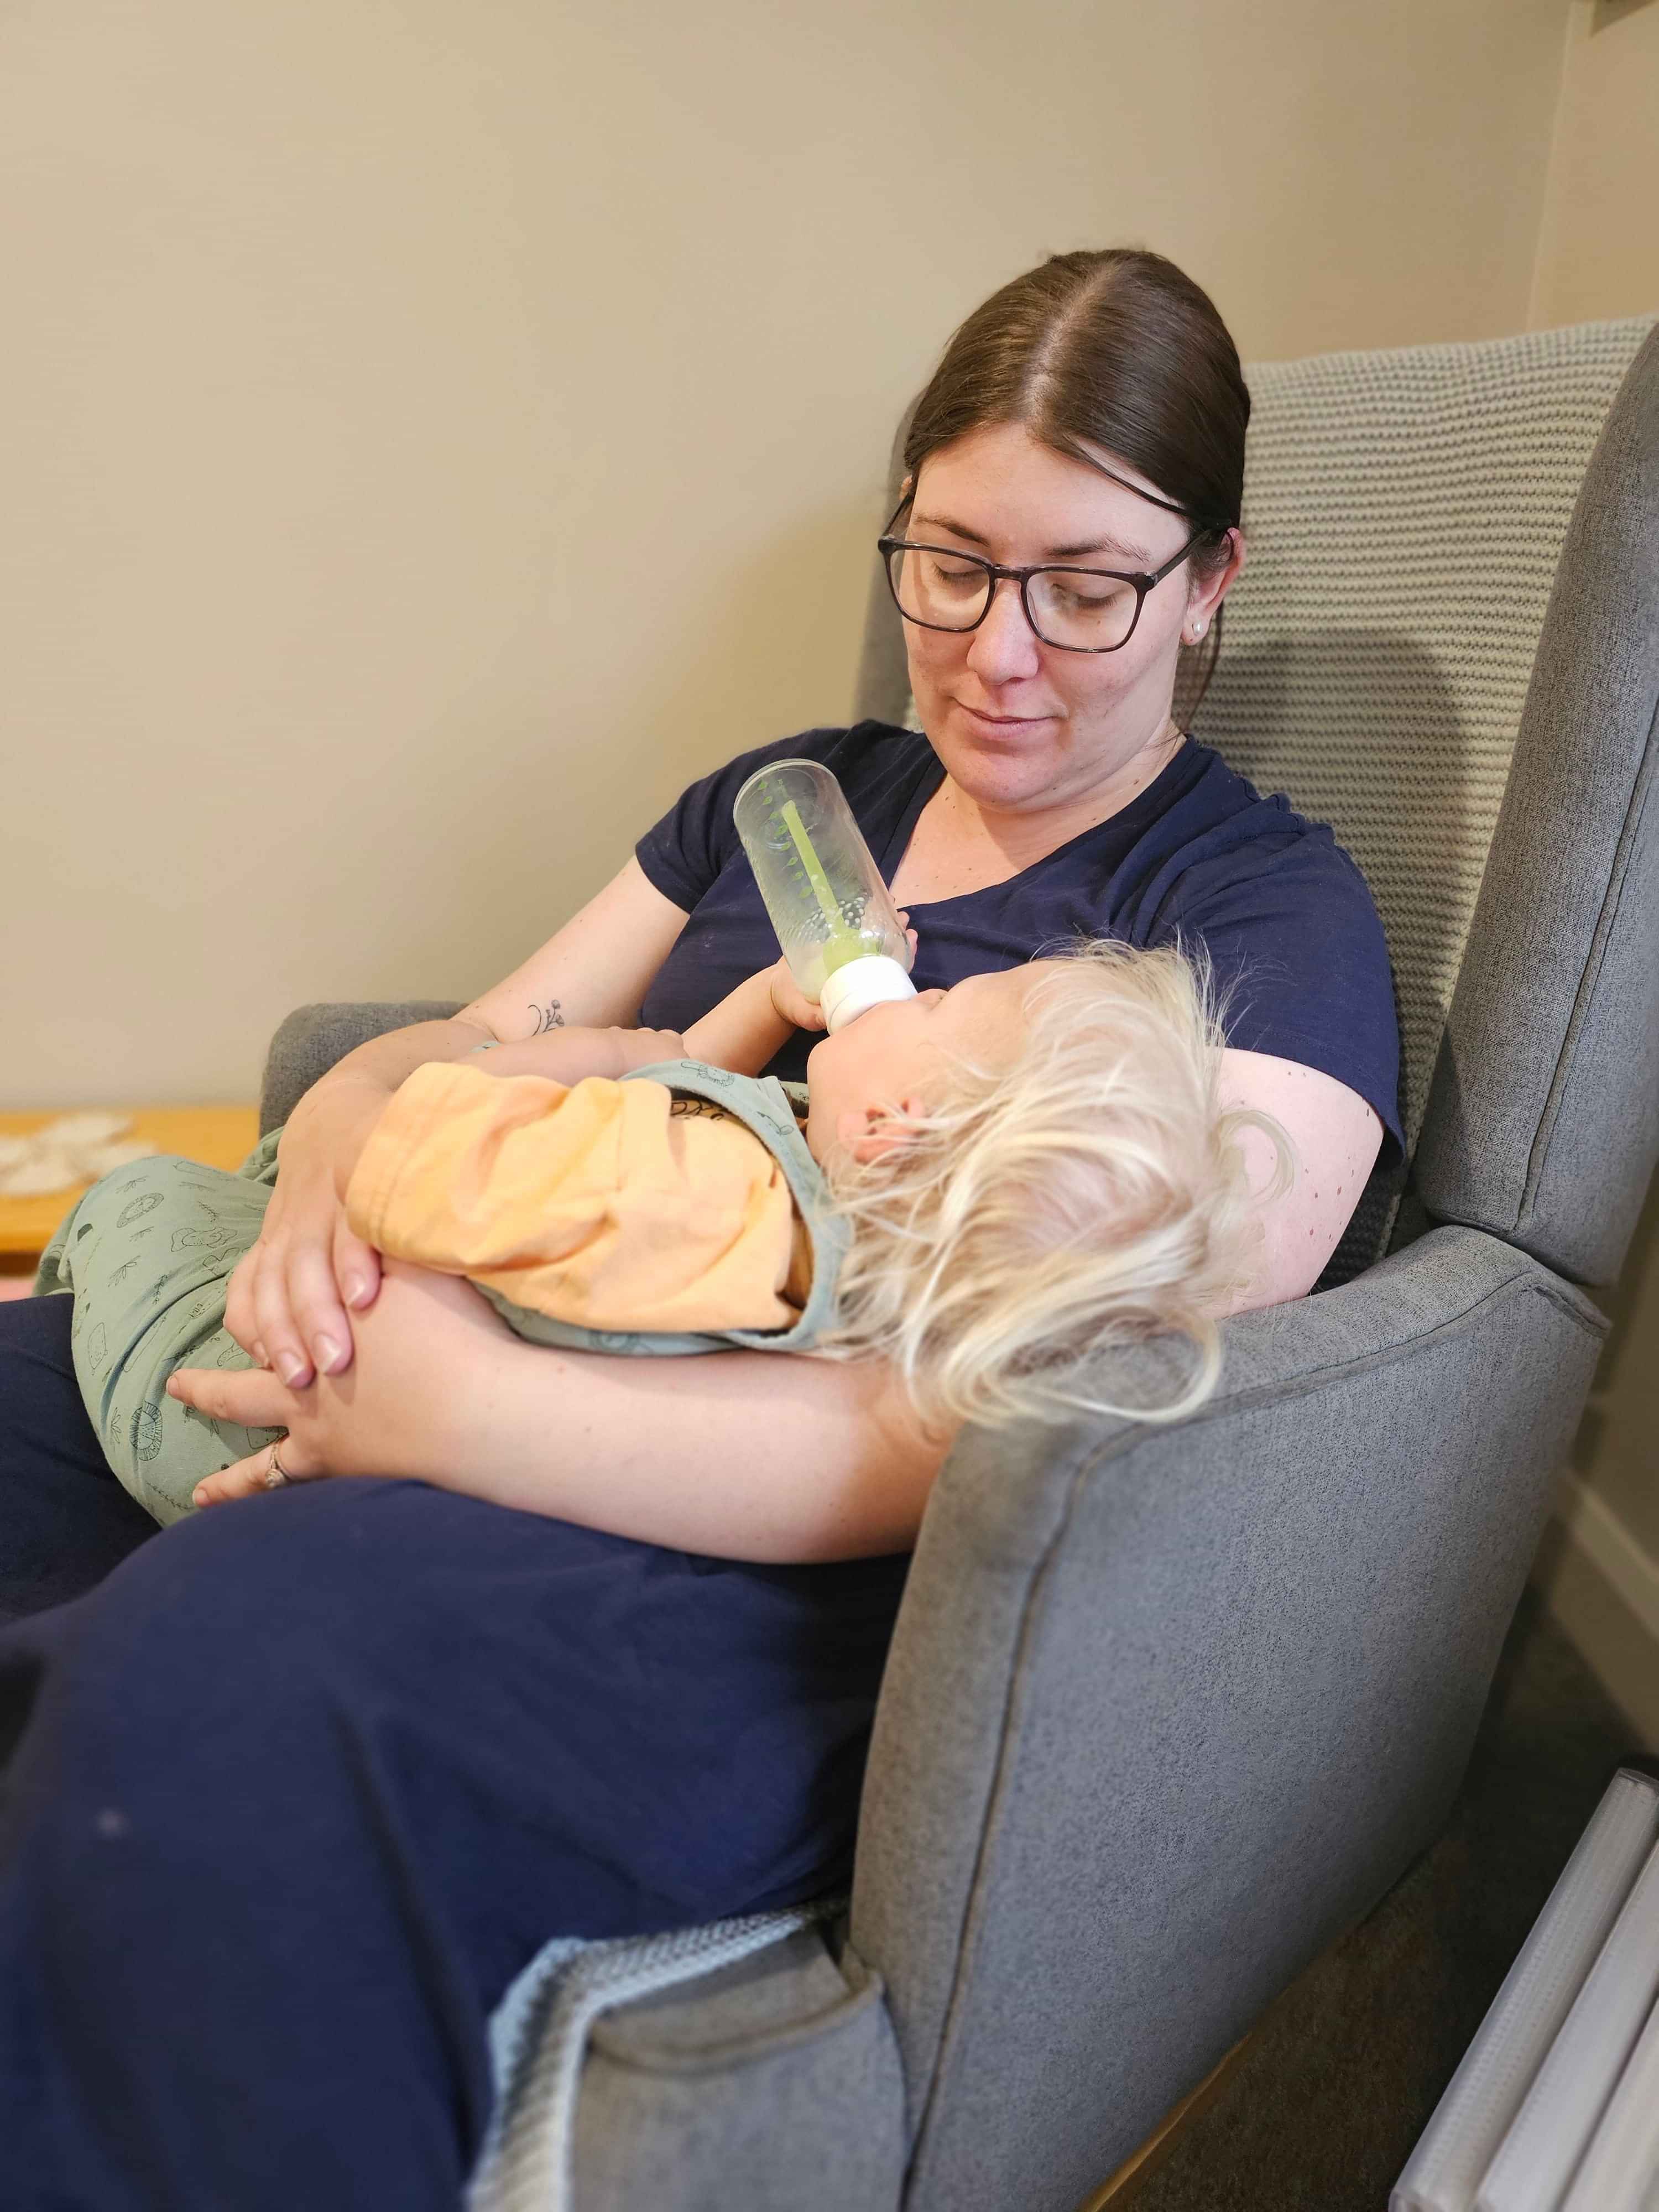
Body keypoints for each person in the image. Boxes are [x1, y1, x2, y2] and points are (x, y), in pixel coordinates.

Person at [0, 246, 1401, 2210]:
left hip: (747, 1544)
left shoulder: (1266, 923)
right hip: (463, 1302)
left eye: (1087, 589)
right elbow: (476, 1045)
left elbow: (1079, 1393)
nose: (1000, 651)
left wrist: (472, 1423)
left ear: (1211, 586)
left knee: (228, 1678)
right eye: (952, 564)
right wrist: (329, 1158)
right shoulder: (793, 800)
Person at [40, 941, 1293, 1525]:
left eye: (959, 996)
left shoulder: (703, 1195)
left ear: (899, 1123)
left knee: (136, 1195)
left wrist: (342, 1117)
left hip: (247, 1379)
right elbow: (679, 1085)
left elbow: (422, 1163)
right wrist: (726, 1022)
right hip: (350, 1356)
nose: (930, 980)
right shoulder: (828, 1222)